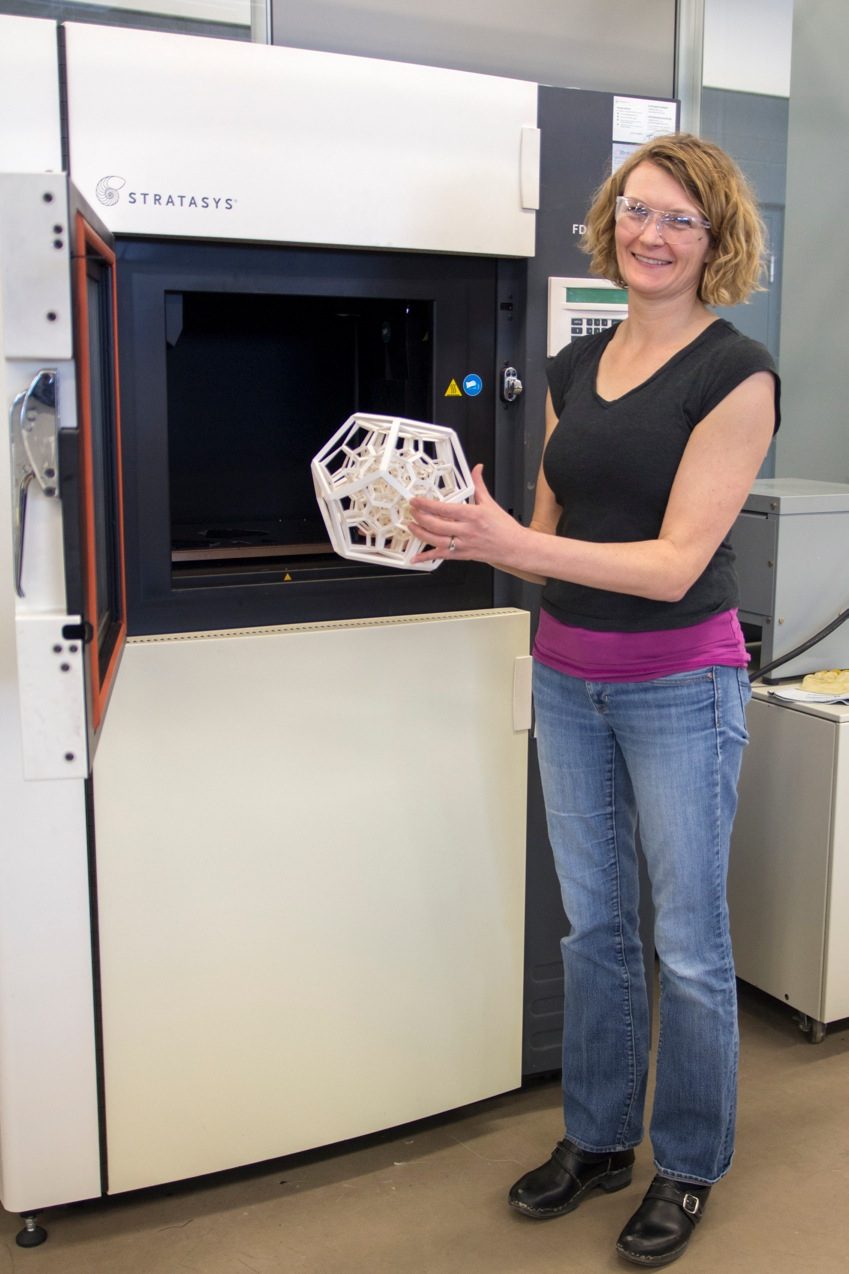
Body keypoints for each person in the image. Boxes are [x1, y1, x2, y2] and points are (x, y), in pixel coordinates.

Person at [408, 133, 780, 1267]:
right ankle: (601, 1136)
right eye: (638, 210)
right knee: (596, 928)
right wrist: (457, 535)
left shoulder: (737, 372)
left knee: (691, 942)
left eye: (679, 219)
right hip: (570, 680)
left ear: (715, 241)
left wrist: (519, 540)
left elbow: (673, 565)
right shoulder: (574, 368)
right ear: (610, 218)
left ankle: (689, 1161)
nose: (651, 234)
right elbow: (548, 543)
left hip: (680, 685)